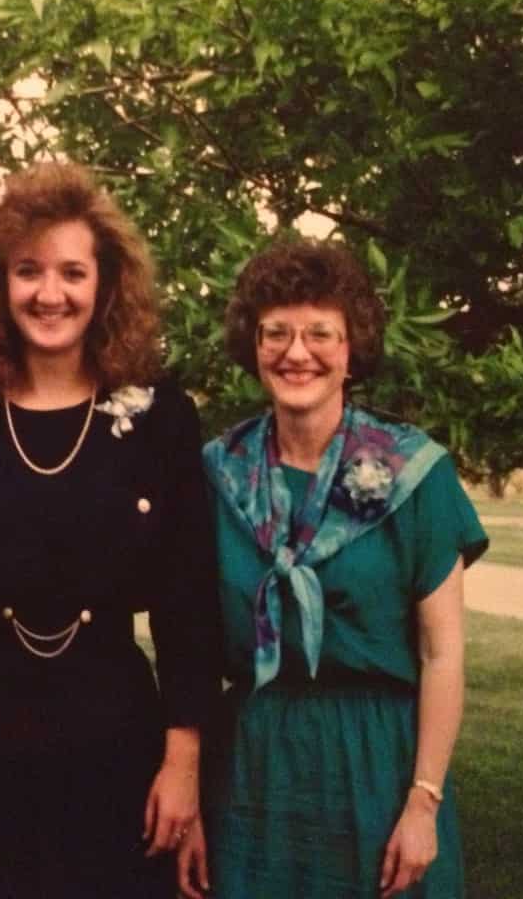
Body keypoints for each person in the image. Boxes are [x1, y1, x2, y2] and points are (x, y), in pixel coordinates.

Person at [0, 161, 222, 899]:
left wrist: (182, 764)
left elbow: (189, 608)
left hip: (113, 753)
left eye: (72, 272)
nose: (51, 294)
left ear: (106, 284)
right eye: (28, 271)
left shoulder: (160, 421)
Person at [200, 238, 488, 898]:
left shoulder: (417, 474)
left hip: (377, 766)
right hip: (250, 770)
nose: (296, 353)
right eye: (276, 333)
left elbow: (442, 654)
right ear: (253, 344)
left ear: (351, 346)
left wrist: (423, 801)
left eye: (320, 334)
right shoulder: (217, 474)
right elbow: (188, 641)